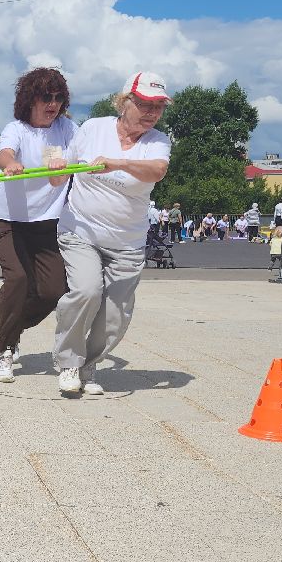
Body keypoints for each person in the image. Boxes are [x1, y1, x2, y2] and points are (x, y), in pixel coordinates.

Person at [53, 70, 170, 396]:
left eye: (158, 107)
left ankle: (89, 367)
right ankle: (69, 363)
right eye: (145, 104)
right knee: (87, 291)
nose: (152, 113)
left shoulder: (157, 142)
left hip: (127, 242)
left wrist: (117, 163)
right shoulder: (92, 128)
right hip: (81, 230)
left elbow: (157, 171)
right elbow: (60, 172)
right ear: (124, 101)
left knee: (116, 315)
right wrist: (55, 169)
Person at [0, 67, 78, 383]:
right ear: (29, 100)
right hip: (9, 221)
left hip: (46, 224)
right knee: (18, 281)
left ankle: (11, 324)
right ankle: (5, 349)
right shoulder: (17, 128)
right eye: (45, 97)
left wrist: (67, 165)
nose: (52, 104)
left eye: (57, 98)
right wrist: (10, 164)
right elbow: (4, 153)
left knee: (54, 290)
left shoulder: (66, 129)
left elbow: (63, 174)